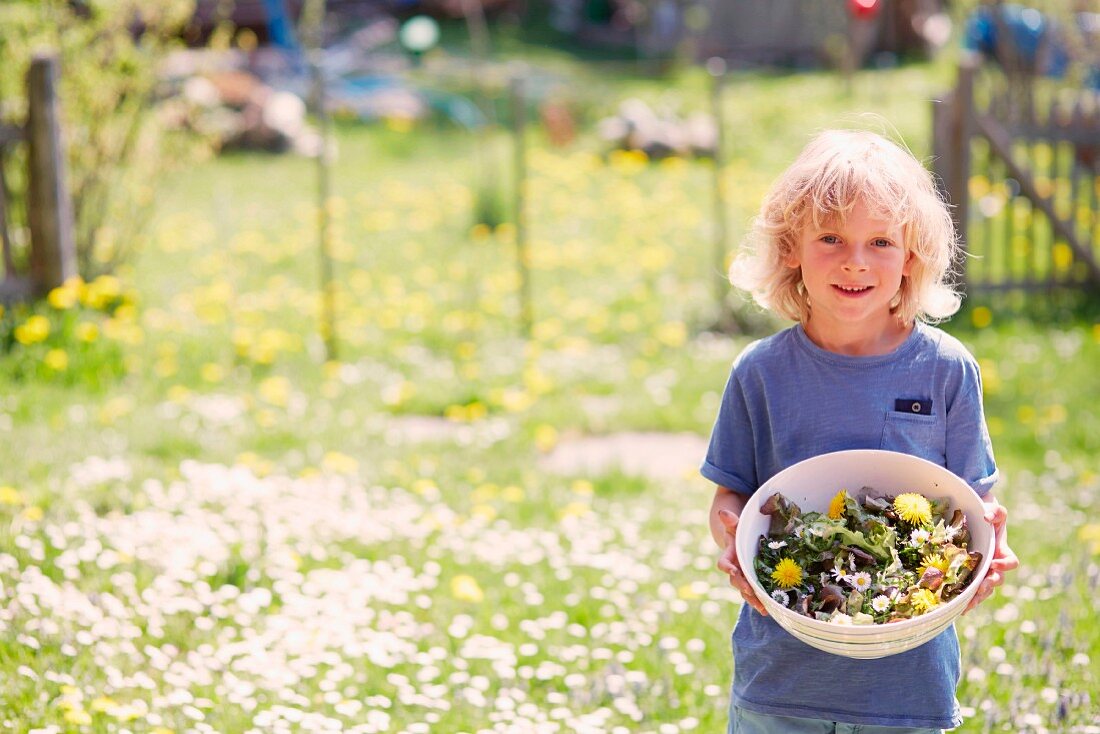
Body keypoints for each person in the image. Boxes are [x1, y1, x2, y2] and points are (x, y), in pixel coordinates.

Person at [701, 129, 1019, 734]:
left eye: (880, 241)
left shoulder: (947, 371)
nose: (855, 260)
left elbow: (975, 504)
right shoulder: (760, 374)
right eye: (830, 238)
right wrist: (732, 536)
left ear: (912, 256)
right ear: (790, 247)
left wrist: (989, 544)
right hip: (781, 683)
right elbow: (731, 495)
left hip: (906, 685)